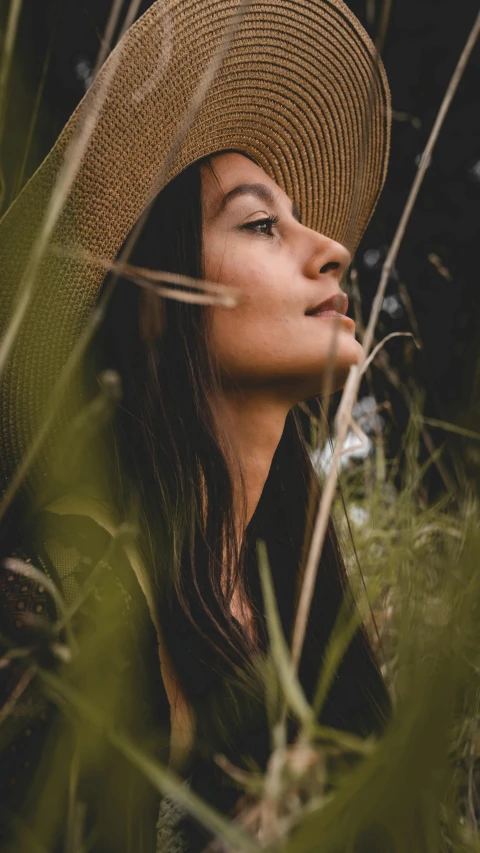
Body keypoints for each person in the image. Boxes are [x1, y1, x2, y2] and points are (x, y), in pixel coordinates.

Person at [0, 1, 391, 851]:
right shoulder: (39, 606)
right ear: (159, 301)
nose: (329, 248)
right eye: (261, 223)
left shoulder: (292, 591)